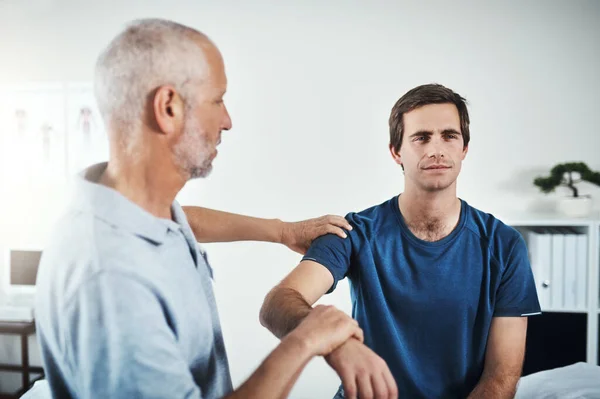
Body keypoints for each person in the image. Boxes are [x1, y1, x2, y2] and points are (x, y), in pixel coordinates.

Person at [34, 18, 361, 399]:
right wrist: (305, 341)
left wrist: (282, 231)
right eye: (218, 100)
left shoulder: (131, 209)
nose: (228, 121)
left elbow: (189, 221)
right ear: (168, 107)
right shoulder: (111, 279)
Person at [260, 83, 542, 399]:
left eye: (449, 136)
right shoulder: (356, 232)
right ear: (396, 152)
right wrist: (336, 343)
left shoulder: (504, 245)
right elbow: (277, 303)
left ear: (464, 149)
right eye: (421, 138)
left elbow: (500, 379)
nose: (437, 149)